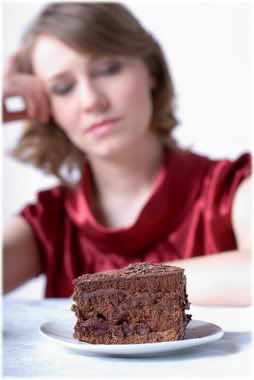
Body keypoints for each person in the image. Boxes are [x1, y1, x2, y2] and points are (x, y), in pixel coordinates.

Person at [3, 3, 252, 305]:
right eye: (63, 87)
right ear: (46, 108)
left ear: (151, 70)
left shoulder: (231, 188)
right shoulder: (51, 222)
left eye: (108, 69)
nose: (91, 101)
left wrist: (117, 287)